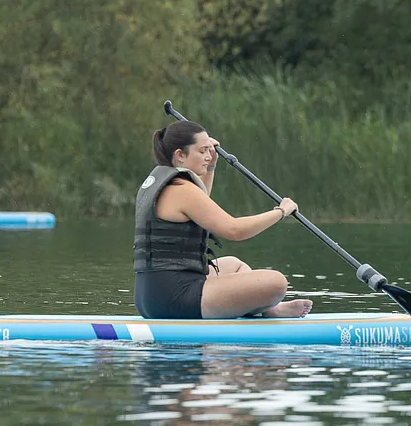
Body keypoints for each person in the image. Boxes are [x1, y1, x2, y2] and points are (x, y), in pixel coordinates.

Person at [133, 120, 313, 320]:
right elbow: (234, 231)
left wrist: (211, 167)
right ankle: (265, 307)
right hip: (175, 297)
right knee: (277, 282)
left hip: (152, 295)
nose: (208, 155)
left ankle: (267, 309)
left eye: (209, 150)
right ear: (180, 155)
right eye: (202, 151)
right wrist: (280, 211)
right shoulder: (181, 189)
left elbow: (201, 205)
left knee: (235, 265)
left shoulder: (166, 184)